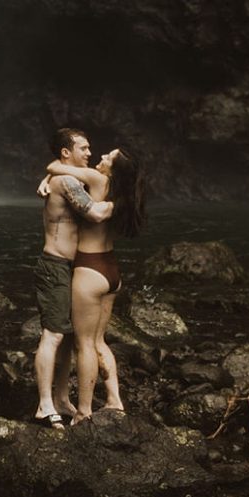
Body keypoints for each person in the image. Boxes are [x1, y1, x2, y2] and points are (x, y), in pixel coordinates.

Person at [44, 147, 144, 422]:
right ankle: (115, 399)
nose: (100, 158)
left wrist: (46, 178)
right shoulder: (123, 195)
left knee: (84, 343)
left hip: (89, 268)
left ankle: (84, 411)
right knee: (99, 341)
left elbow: (55, 168)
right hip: (111, 270)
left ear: (113, 169)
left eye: (107, 158)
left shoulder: (98, 180)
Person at [32, 127, 111, 430]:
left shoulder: (64, 178)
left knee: (66, 339)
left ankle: (62, 398)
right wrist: (123, 204)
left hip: (69, 267)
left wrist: (46, 177)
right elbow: (94, 214)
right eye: (84, 148)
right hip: (55, 265)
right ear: (66, 153)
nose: (90, 153)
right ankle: (44, 405)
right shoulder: (65, 180)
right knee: (52, 335)